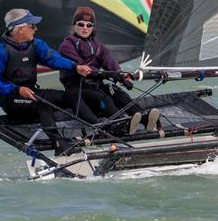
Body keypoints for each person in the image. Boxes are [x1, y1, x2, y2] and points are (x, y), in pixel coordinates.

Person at [0, 8, 95, 153]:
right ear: (21, 29)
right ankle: (59, 145)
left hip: (33, 93)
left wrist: (75, 67)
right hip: (11, 100)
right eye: (32, 25)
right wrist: (17, 90)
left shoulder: (36, 44)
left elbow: (53, 59)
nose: (36, 29)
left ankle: (98, 126)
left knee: (72, 96)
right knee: (43, 105)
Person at [58, 7, 159, 135]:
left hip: (95, 85)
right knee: (102, 97)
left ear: (93, 27)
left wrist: (122, 77)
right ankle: (121, 123)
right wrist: (107, 74)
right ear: (74, 25)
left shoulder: (98, 46)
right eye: (81, 24)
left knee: (116, 91)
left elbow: (111, 63)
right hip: (77, 88)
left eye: (89, 25)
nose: (85, 28)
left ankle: (145, 118)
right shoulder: (67, 45)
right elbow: (83, 68)